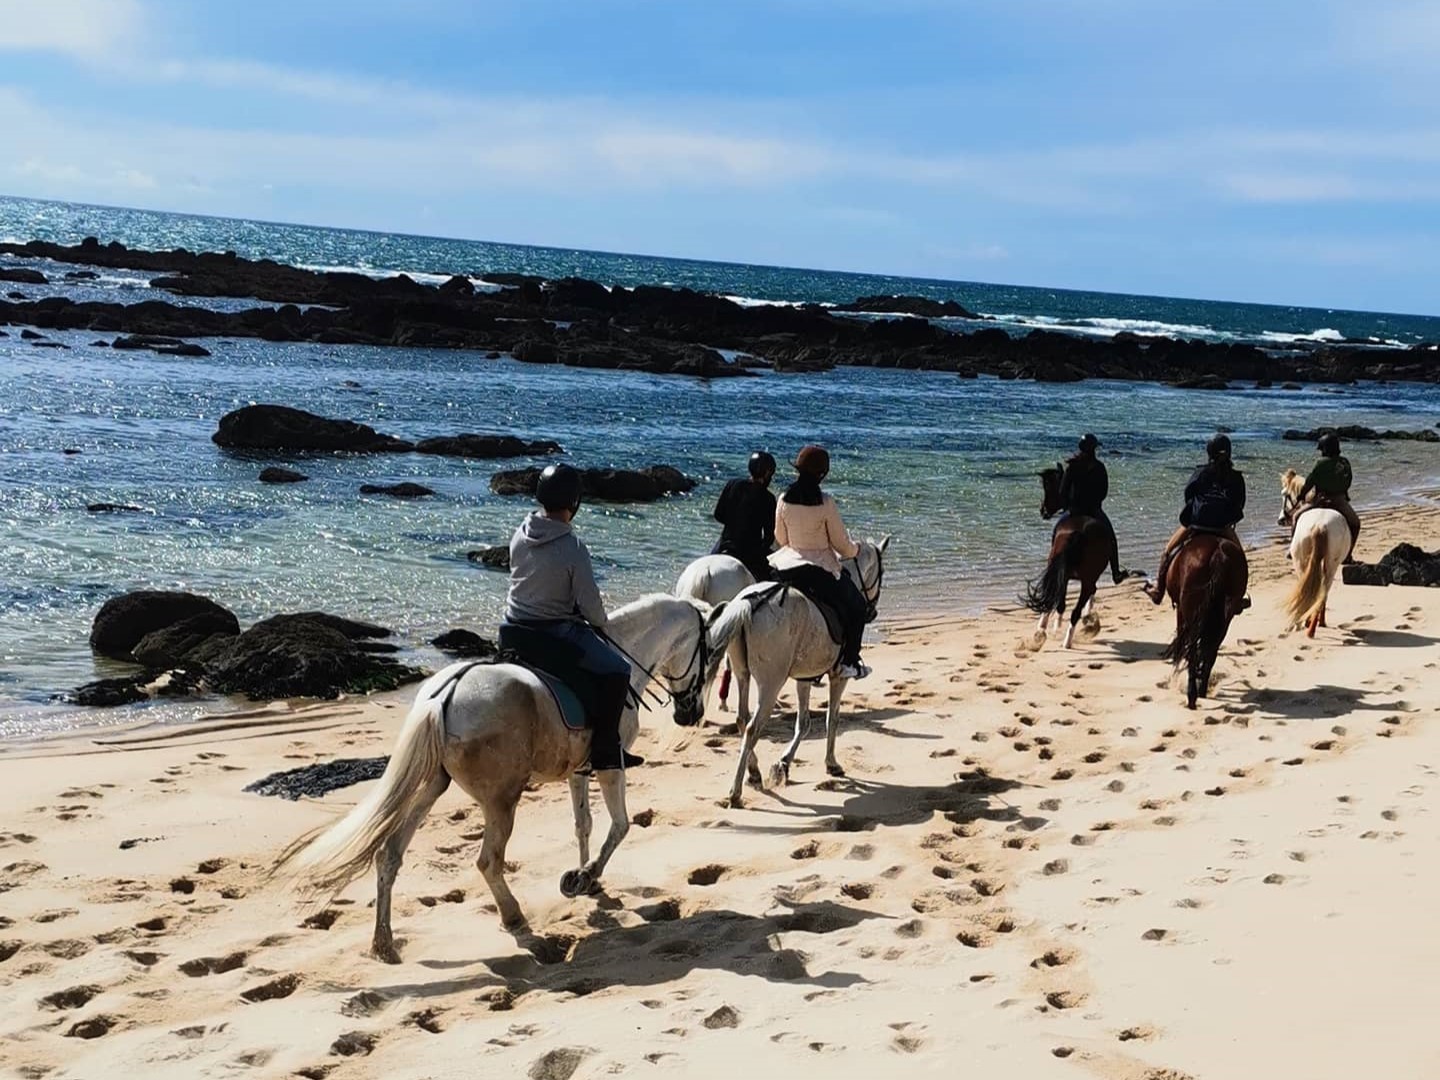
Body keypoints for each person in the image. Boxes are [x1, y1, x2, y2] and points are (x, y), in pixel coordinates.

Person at [500, 463, 641, 772]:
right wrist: (598, 620)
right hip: (551, 636)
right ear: (574, 503)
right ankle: (606, 749)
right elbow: (591, 609)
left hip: (511, 630)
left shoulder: (519, 535)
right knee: (619, 671)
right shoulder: (573, 546)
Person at [768, 445, 871, 680]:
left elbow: (780, 537)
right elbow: (841, 545)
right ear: (822, 474)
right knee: (857, 607)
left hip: (785, 568)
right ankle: (849, 662)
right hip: (818, 570)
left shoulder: (783, 498)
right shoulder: (825, 502)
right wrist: (855, 549)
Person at [1144, 434, 1247, 604]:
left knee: (1167, 552)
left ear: (1210, 453)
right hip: (1222, 527)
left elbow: (1188, 495)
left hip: (1196, 524)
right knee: (1240, 559)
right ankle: (1239, 597)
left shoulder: (1200, 472)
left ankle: (1158, 590)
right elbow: (1240, 503)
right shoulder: (1236, 477)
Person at [1058, 433, 1125, 585]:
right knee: (1111, 538)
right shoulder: (1099, 467)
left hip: (1074, 511)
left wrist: (1069, 505)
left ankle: (1053, 561)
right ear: (1094, 449)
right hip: (1093, 511)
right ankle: (1115, 572)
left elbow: (1063, 491)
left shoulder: (1072, 466)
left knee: (1057, 530)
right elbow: (1104, 492)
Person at [711, 451, 777, 581]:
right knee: (774, 583)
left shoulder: (732, 484)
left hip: (725, 544)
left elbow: (718, 515)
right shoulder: (768, 498)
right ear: (767, 473)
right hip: (749, 553)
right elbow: (769, 537)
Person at [1297, 432, 1361, 561]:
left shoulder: (1320, 463)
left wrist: (1301, 495)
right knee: (1355, 524)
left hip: (1319, 499)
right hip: (1339, 500)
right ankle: (1348, 554)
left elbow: (1310, 481)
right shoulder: (1344, 462)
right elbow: (1348, 480)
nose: (1321, 453)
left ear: (1325, 449)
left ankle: (1293, 549)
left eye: (1321, 450)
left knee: (1295, 517)